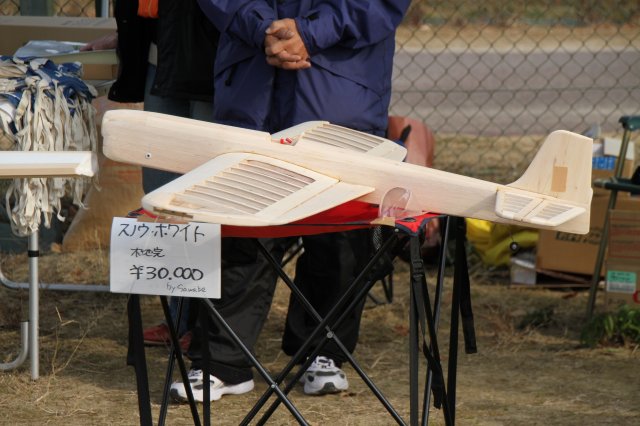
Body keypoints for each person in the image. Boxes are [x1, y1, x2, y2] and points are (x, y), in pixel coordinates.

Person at [168, 0, 411, 401]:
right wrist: (262, 28)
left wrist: (311, 33)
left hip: (338, 89)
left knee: (337, 236)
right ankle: (222, 362)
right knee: (239, 230)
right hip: (252, 89)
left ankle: (323, 349)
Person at [82, 0, 220, 353]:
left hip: (212, 63)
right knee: (161, 197)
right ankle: (177, 318)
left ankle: (206, 327)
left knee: (206, 197)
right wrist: (127, 34)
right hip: (163, 61)